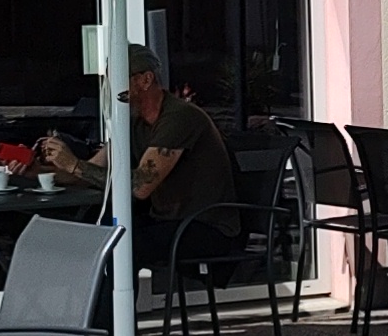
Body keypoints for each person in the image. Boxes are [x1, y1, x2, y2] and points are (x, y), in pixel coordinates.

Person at [39, 46, 239, 244]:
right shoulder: (134, 121)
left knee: (117, 246)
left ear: (146, 80)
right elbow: (91, 170)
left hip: (205, 225)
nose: (111, 88)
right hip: (167, 220)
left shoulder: (179, 117)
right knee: (89, 230)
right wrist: (37, 173)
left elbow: (141, 186)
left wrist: (73, 164)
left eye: (117, 79)